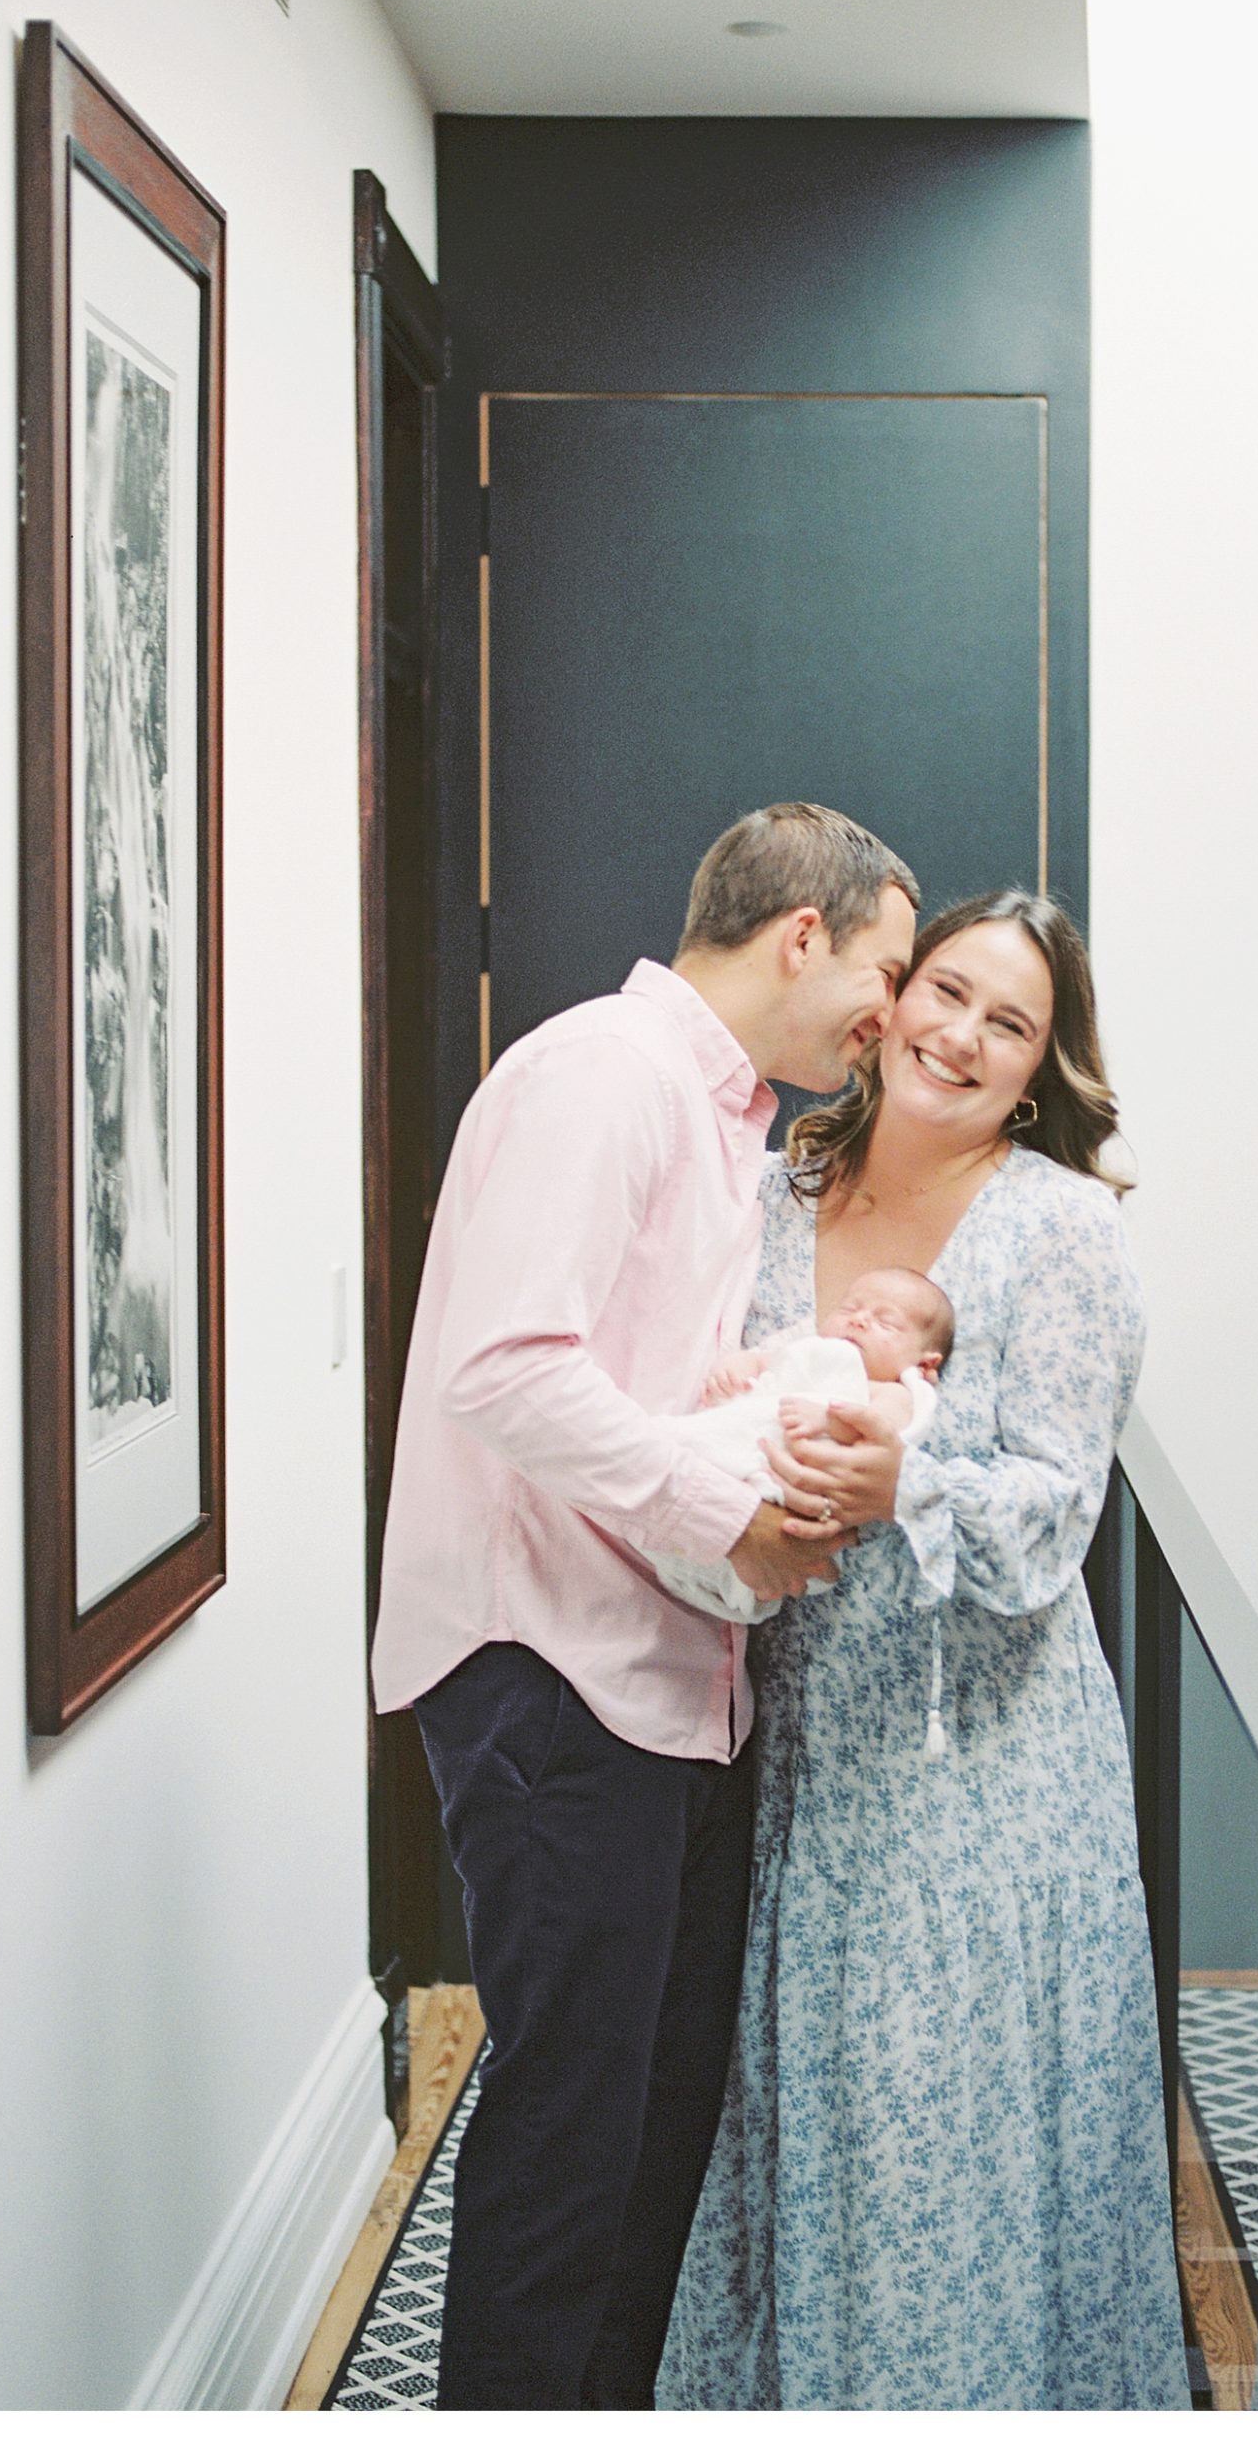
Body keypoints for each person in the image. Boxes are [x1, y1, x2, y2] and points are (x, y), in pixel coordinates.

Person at [370, 802, 918, 2410]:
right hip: (549, 1679)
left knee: (652, 2129)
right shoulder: (598, 1076)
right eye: (883, 971)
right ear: (798, 934)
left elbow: (624, 1371)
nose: (889, 1017)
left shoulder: (720, 1119)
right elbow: (501, 1366)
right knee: (568, 2138)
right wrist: (729, 1507)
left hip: (663, 1683)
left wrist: (759, 1400)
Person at [657, 889, 1193, 2410]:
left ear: (1039, 1070)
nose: (959, 1034)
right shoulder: (767, 1193)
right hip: (786, 1754)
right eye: (944, 990)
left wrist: (911, 1484)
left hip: (982, 1788)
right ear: (884, 1002)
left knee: (942, 2143)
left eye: (1007, 1022)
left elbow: (1054, 1512)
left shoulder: (1063, 1232)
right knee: (800, 2126)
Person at [651, 1268, 955, 1625]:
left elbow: (878, 1431)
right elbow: (765, 1360)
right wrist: (737, 1369)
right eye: (849, 1308)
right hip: (739, 1458)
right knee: (676, 1444)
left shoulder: (894, 1391)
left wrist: (828, 1419)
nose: (858, 1320)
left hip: (791, 1496)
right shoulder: (811, 1350)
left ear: (924, 1362)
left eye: (885, 1323)